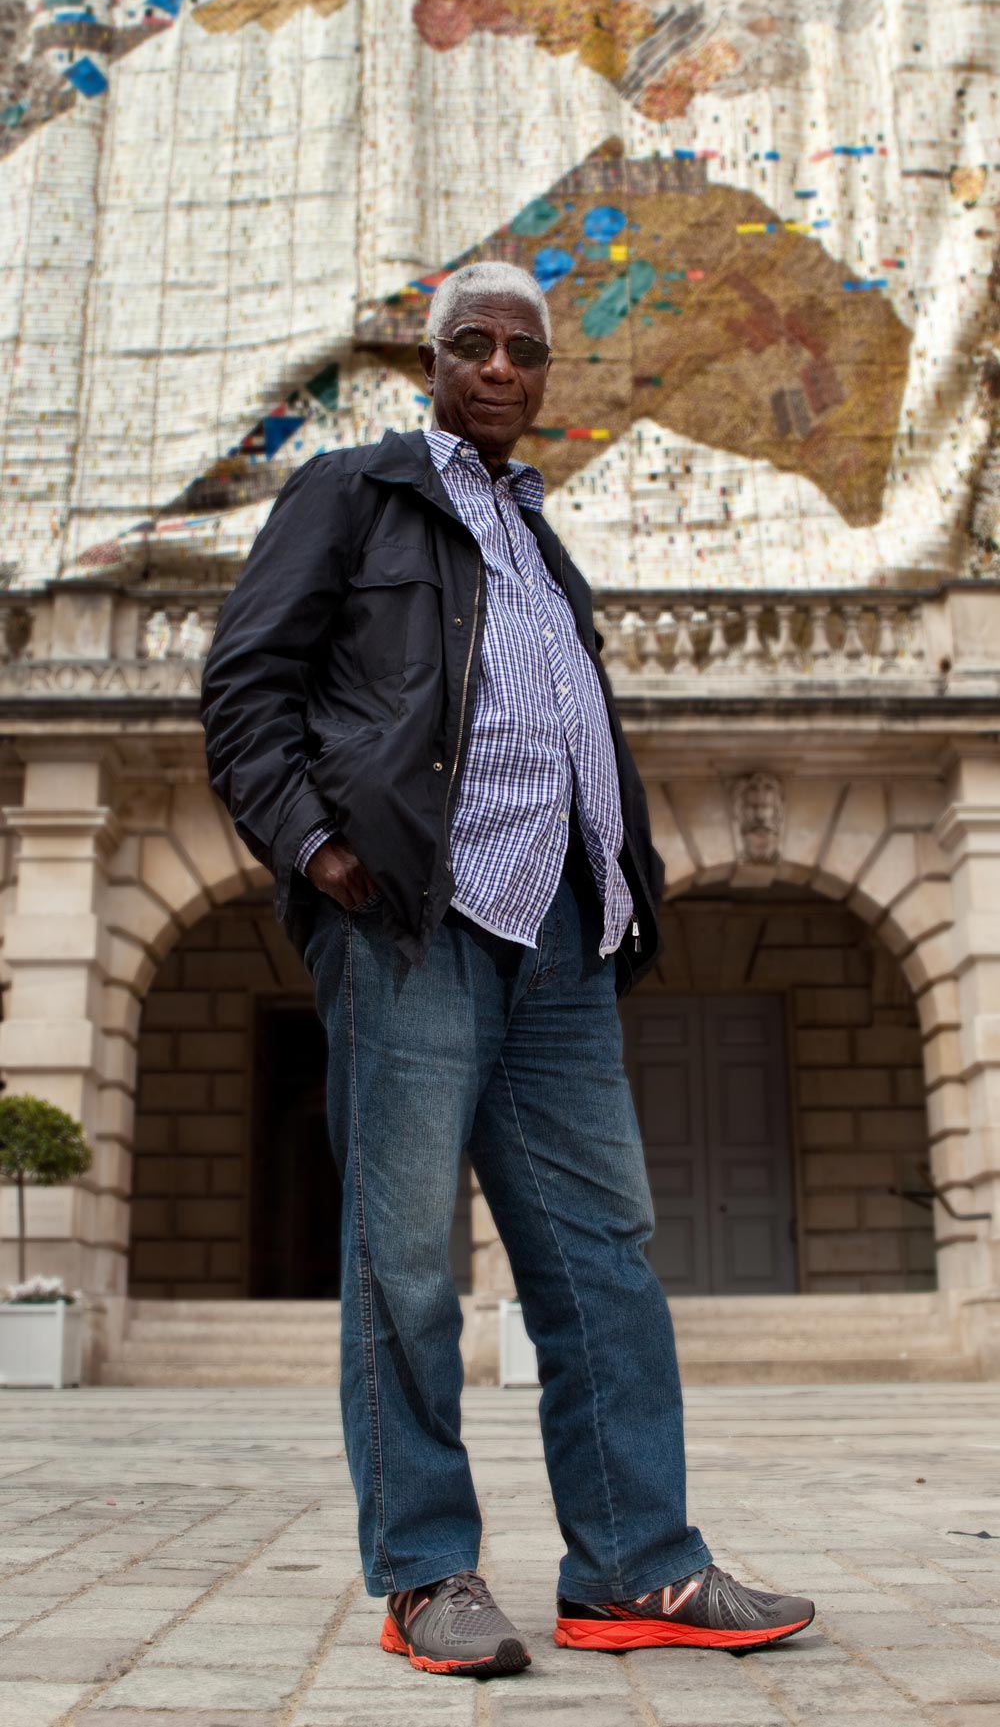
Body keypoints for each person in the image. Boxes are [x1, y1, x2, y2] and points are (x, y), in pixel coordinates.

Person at [201, 261, 815, 1678]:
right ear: (432, 364)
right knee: (407, 1260)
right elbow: (246, 690)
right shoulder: (356, 494)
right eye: (469, 345)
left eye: (521, 351)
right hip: (414, 922)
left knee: (605, 1262)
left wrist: (626, 891)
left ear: (545, 378)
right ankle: (425, 1570)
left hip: (561, 941)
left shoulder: (544, 544)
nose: (495, 368)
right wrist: (321, 850)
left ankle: (636, 1570)